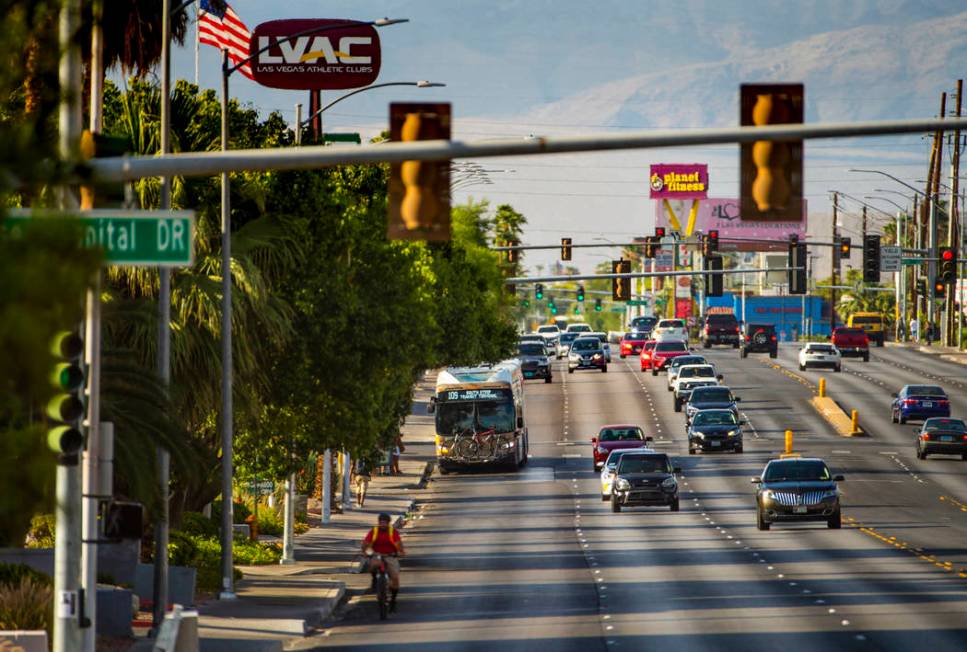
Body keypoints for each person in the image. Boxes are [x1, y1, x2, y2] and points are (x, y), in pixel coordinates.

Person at [361, 513, 405, 611]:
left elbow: (398, 544)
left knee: (395, 578)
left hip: (390, 555)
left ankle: (393, 600)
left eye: (385, 523)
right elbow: (366, 544)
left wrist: (400, 552)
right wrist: (367, 552)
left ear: (388, 523)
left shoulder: (393, 532)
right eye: (381, 522)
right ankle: (374, 579)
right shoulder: (374, 531)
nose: (383, 524)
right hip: (377, 555)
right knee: (373, 565)